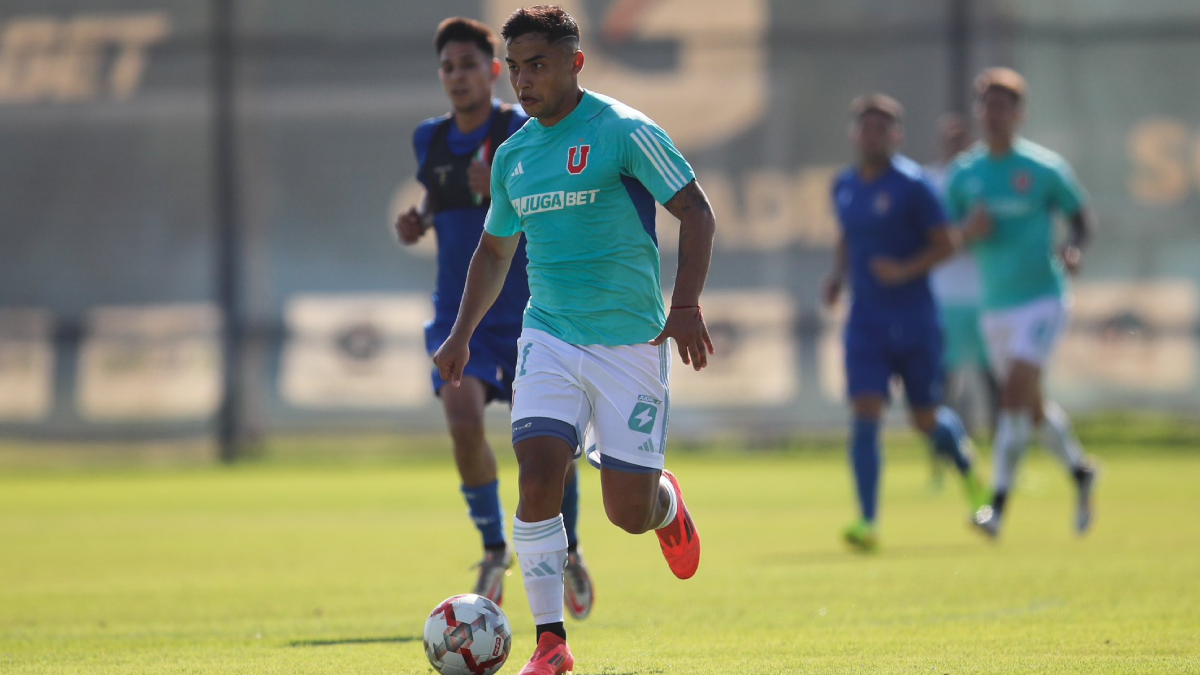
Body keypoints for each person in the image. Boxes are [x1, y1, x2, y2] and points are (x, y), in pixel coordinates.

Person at [433, 6, 716, 674]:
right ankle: (551, 643)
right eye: (517, 67)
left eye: (540, 65)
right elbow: (495, 252)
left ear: (575, 63)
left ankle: (665, 504)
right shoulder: (514, 155)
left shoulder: (623, 131)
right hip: (550, 336)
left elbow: (696, 211)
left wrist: (685, 305)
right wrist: (461, 333)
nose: (525, 81)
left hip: (629, 343)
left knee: (627, 512)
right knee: (538, 473)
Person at [395, 16, 593, 616]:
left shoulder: (521, 130)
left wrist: (503, 185)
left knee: (548, 446)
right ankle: (491, 546)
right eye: (448, 67)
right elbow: (440, 194)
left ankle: (569, 550)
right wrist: (420, 220)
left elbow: (553, 200)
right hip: (463, 312)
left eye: (469, 65)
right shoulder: (429, 139)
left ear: (492, 71)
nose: (458, 77)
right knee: (461, 415)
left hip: (533, 310)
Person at [823, 94, 989, 552]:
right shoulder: (844, 184)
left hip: (915, 321)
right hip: (866, 324)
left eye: (881, 129)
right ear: (855, 134)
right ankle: (867, 520)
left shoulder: (914, 186)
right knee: (865, 414)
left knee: (925, 419)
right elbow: (847, 235)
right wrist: (838, 277)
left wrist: (903, 270)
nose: (871, 136)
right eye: (864, 128)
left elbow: (947, 243)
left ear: (896, 136)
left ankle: (973, 479)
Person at [945, 68, 1098, 539]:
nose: (995, 115)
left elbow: (1080, 218)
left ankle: (999, 507)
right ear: (979, 112)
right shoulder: (965, 174)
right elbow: (948, 237)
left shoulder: (1043, 168)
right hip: (996, 307)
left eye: (1004, 106)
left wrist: (1073, 248)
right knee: (1030, 410)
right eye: (987, 106)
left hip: (1042, 299)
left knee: (1010, 394)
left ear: (1019, 114)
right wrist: (969, 233)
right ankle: (1079, 471)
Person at [927, 113, 998, 456]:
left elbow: (993, 232)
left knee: (994, 378)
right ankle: (943, 459)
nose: (957, 146)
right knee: (943, 384)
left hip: (985, 296)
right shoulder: (929, 182)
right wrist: (965, 234)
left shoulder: (983, 180)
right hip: (943, 297)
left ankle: (1005, 458)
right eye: (951, 140)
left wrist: (970, 235)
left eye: (963, 140)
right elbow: (931, 241)